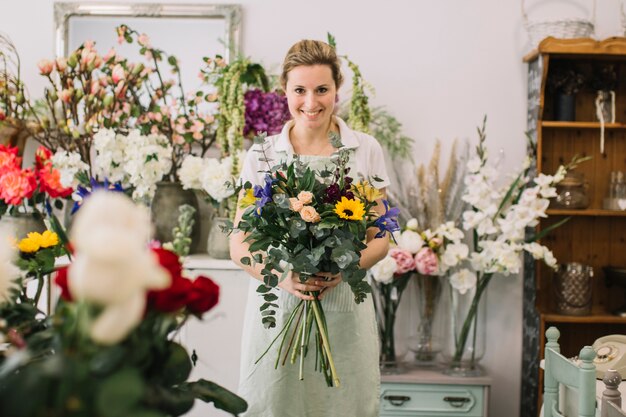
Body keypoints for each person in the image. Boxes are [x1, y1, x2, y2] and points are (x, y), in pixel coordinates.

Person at [229, 39, 391, 417]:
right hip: (278, 309)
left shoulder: (365, 149)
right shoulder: (262, 155)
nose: (311, 102)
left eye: (322, 90)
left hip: (344, 308)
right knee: (274, 405)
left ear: (337, 88)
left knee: (342, 405)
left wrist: (345, 267)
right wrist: (282, 277)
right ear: (284, 90)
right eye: (299, 90)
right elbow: (239, 244)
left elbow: (381, 236)